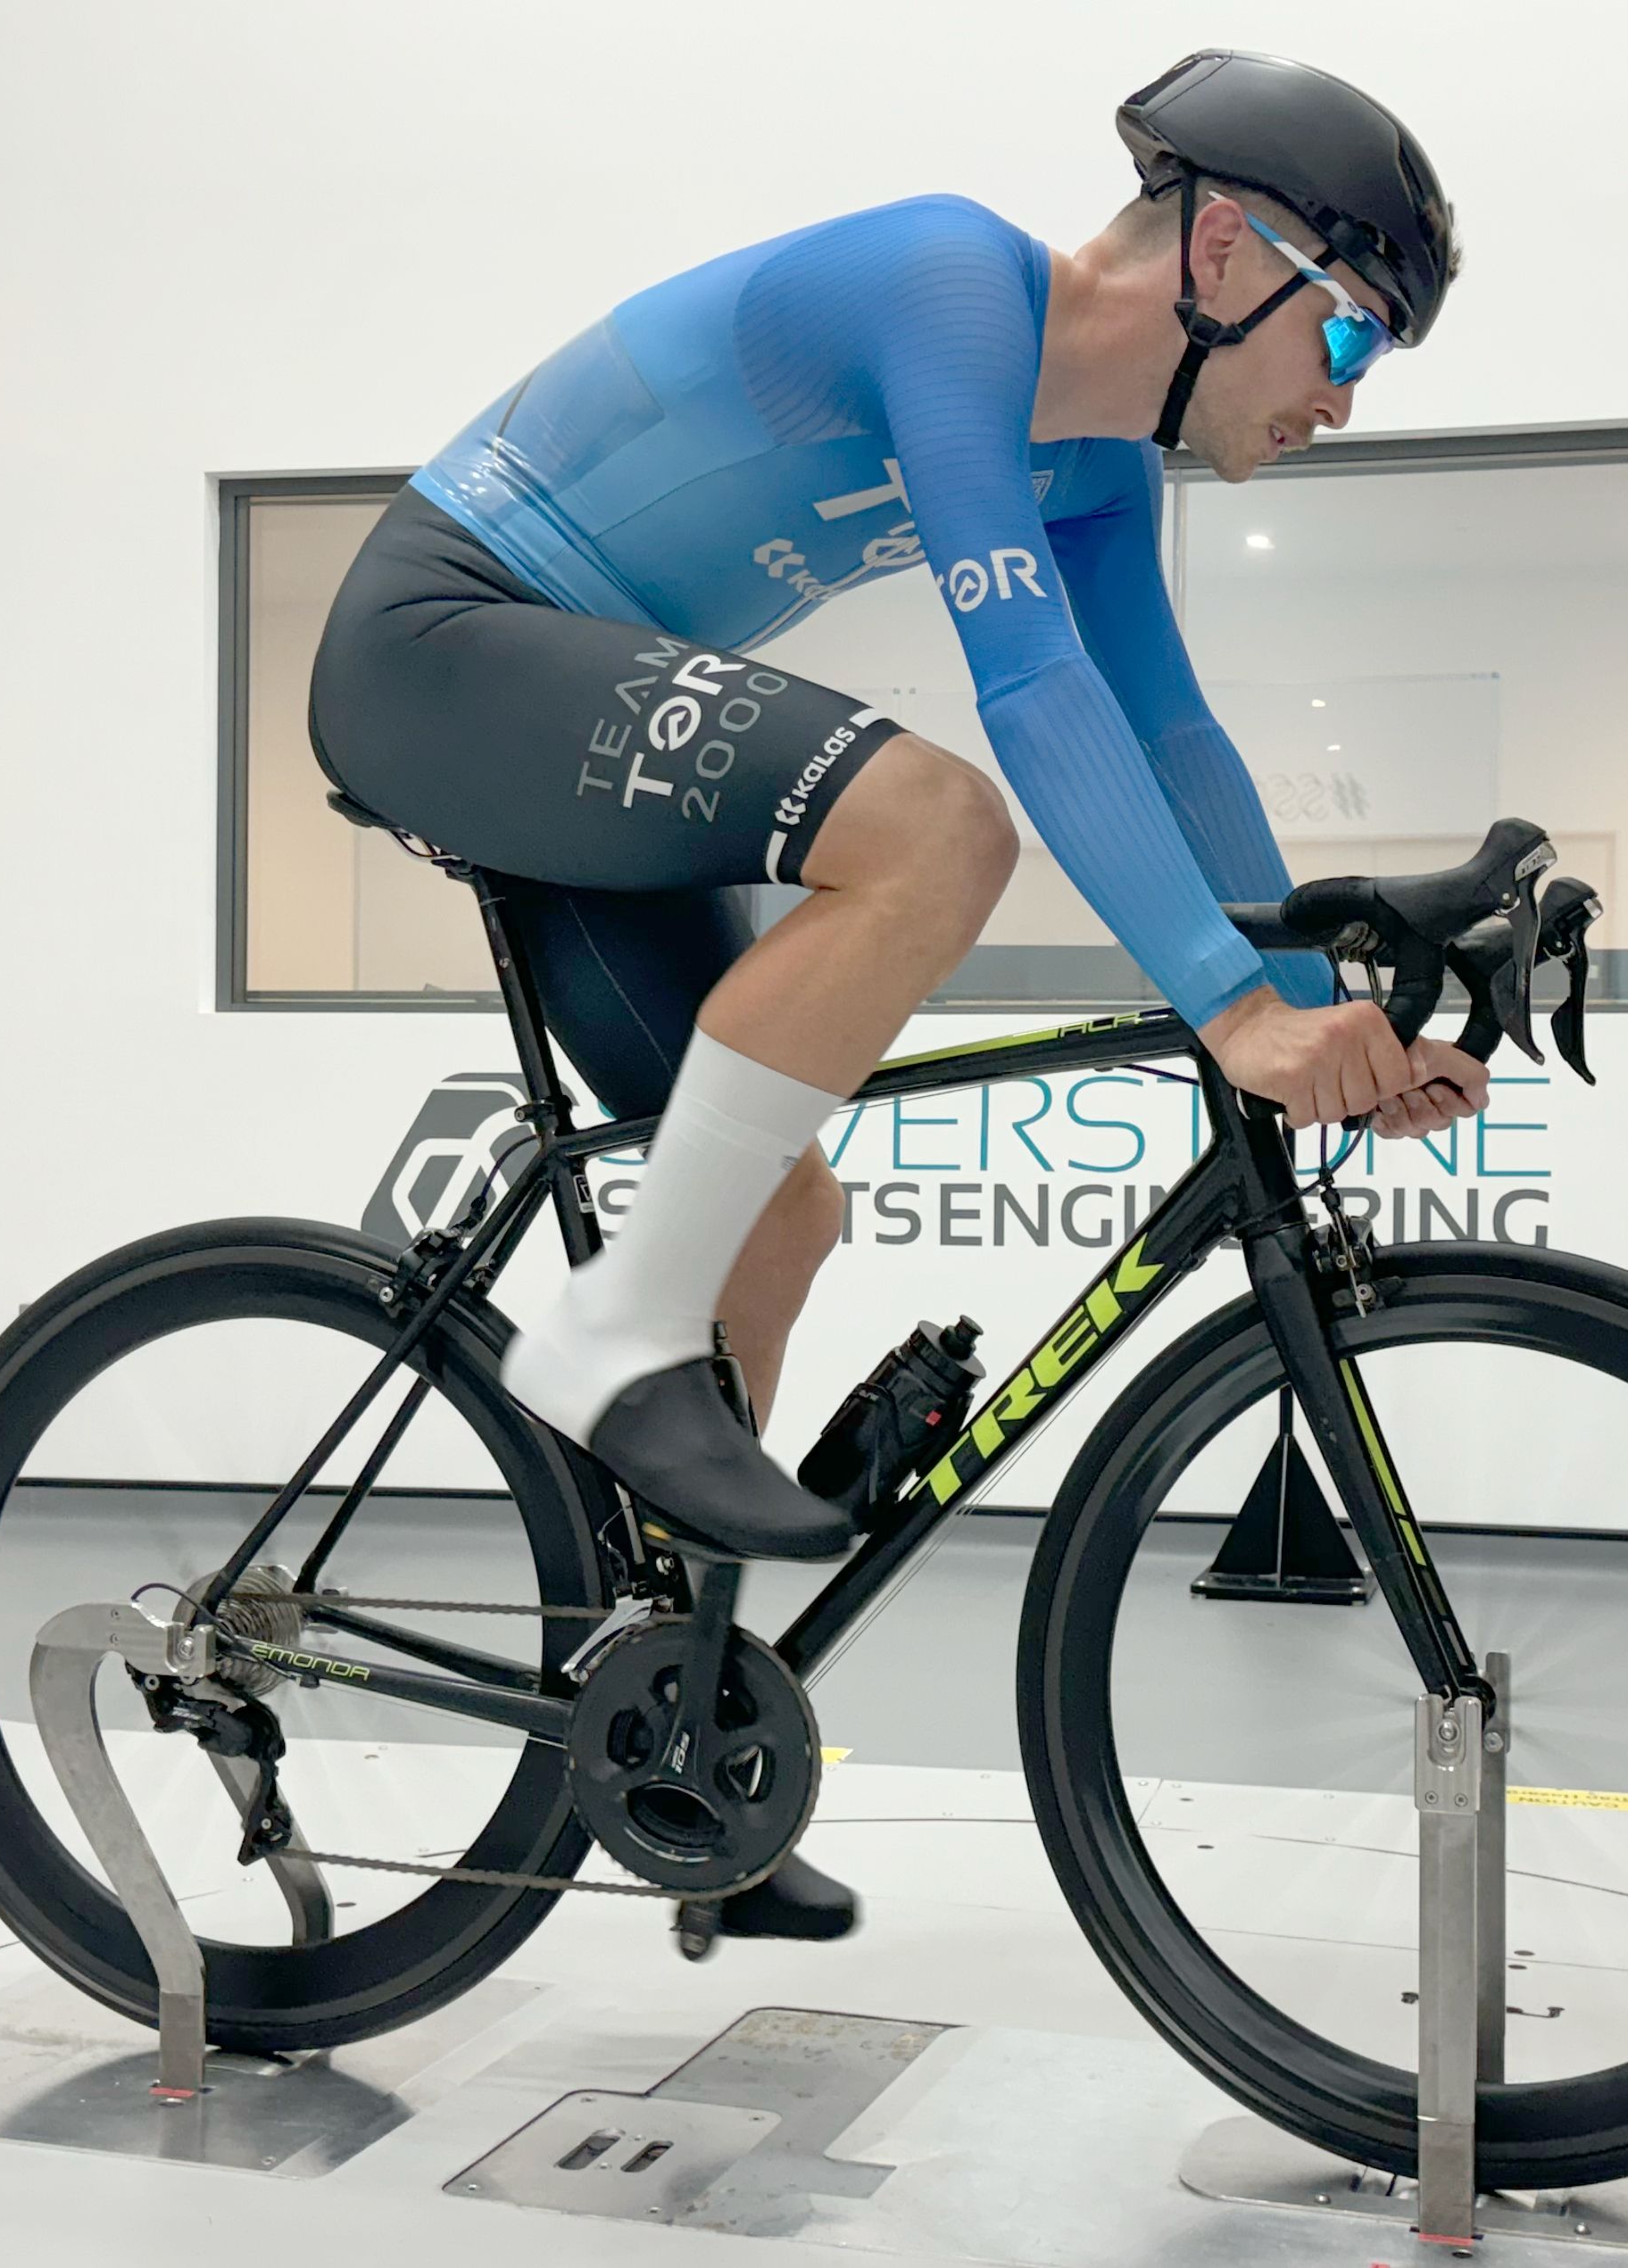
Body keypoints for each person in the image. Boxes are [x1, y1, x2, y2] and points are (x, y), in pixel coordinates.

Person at [309, 51, 1480, 1940]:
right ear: (1230, 251)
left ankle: (674, 1727)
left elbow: (1164, 727)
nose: (1341, 400)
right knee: (938, 823)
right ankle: (611, 1335)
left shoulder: (1094, 463)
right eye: (1348, 339)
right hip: (445, 636)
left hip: (581, 706)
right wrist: (1226, 1010)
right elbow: (1026, 688)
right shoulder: (952, 289)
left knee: (783, 1194)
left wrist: (1296, 994)